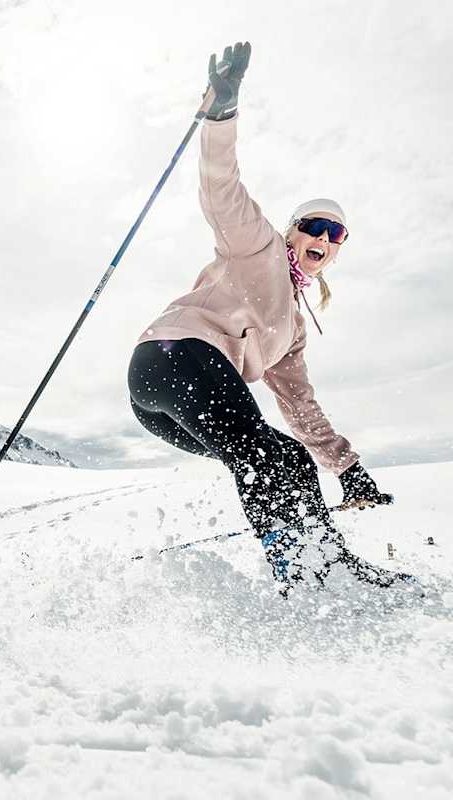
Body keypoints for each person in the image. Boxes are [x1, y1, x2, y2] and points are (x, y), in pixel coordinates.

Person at [127, 43, 404, 592]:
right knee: (261, 450)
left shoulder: (293, 332)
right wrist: (222, 114)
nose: (322, 238)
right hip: (175, 356)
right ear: (292, 230)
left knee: (290, 456)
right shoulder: (255, 248)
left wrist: (348, 469)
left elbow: (300, 406)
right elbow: (221, 189)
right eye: (312, 226)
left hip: (162, 406)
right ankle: (305, 573)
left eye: (335, 233)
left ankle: (323, 567)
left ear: (339, 249)